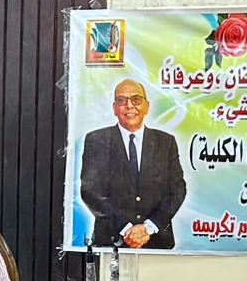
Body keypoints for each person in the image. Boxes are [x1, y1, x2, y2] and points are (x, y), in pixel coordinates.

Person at [78, 78, 186, 249]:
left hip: (157, 241)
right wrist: (126, 229)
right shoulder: (96, 140)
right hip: (111, 242)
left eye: (136, 99)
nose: (129, 105)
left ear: (146, 106)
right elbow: (90, 191)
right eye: (122, 100)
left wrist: (148, 227)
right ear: (114, 108)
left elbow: (177, 190)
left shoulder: (166, 142)